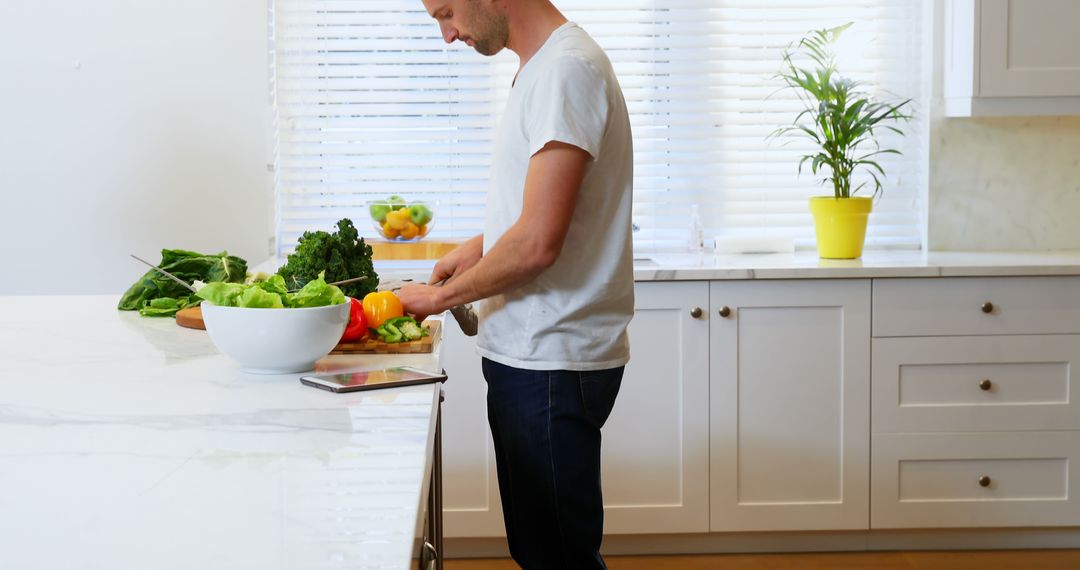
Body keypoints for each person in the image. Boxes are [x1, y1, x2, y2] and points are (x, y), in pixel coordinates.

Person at [398, 1, 634, 568]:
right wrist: (475, 249)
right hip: (533, 353)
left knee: (556, 556)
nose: (447, 35)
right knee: (545, 549)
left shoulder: (565, 70)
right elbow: (536, 217)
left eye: (446, 13)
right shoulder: (541, 67)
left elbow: (537, 244)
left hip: (550, 356)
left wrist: (437, 299)